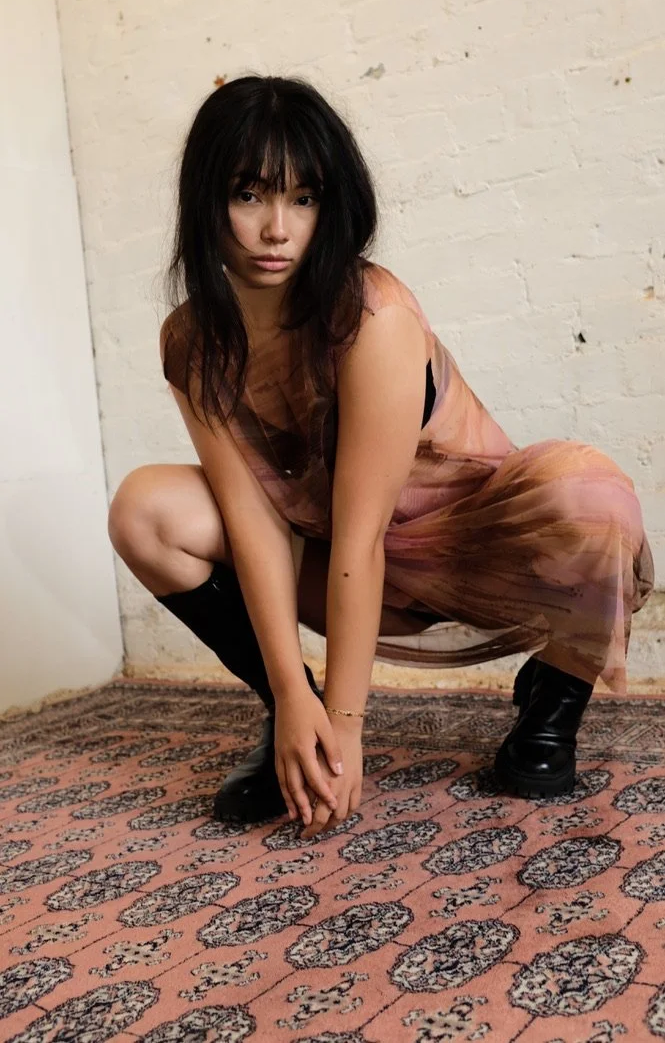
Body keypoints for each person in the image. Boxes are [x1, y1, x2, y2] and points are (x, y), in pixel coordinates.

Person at [107, 74, 654, 839]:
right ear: (206, 200)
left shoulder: (373, 314)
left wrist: (349, 725)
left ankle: (554, 694)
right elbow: (254, 524)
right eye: (249, 194)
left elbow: (362, 535)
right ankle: (284, 719)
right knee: (144, 509)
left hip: (466, 543)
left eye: (304, 199)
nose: (276, 228)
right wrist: (298, 703)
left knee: (592, 497)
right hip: (338, 554)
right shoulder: (193, 341)